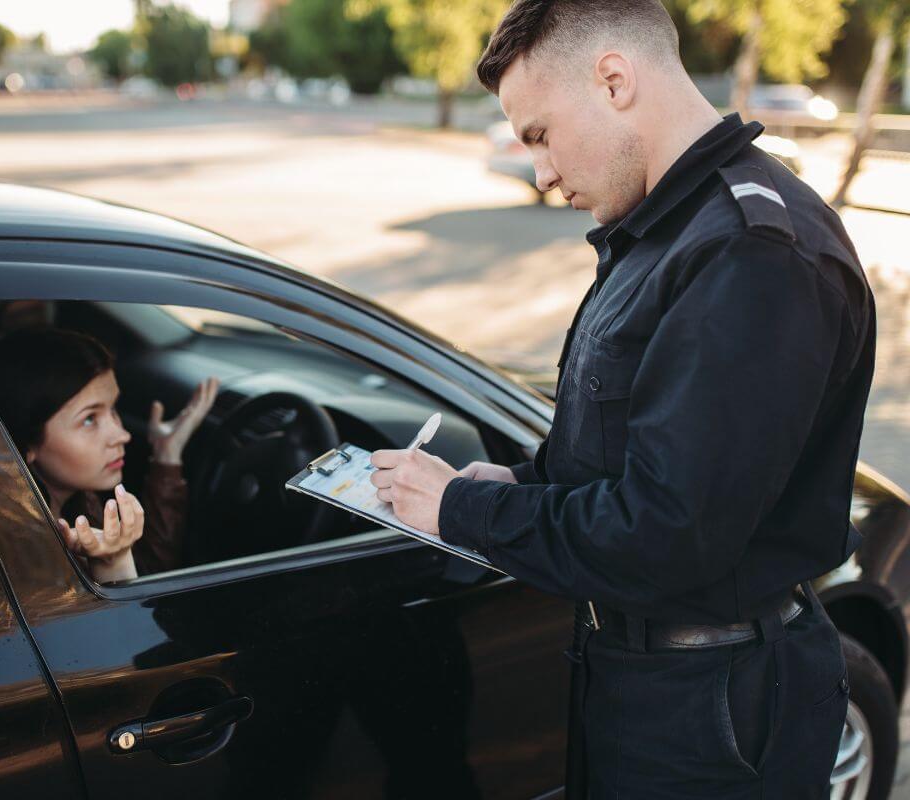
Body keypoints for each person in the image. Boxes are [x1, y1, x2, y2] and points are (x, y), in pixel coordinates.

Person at [368, 0, 875, 796]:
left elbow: (669, 533)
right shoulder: (665, 230)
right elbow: (630, 446)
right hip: (648, 678)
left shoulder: (750, 253)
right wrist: (523, 484)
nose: (540, 172)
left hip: (715, 708)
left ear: (613, 81)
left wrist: (461, 513)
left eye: (538, 134)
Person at [0, 326, 220, 582]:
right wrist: (112, 565)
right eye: (90, 419)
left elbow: (149, 572)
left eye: (113, 408)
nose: (121, 434)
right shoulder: (23, 558)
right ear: (25, 444)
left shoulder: (79, 500)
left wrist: (167, 454)